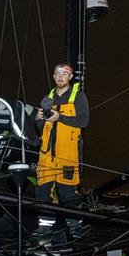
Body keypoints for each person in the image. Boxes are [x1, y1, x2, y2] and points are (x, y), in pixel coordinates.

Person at [34, 62, 89, 239]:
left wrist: (60, 117)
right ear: (53, 76)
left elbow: (83, 121)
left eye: (65, 73)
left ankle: (74, 227)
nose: (60, 76)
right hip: (46, 155)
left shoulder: (78, 96)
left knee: (68, 194)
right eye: (57, 73)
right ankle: (44, 228)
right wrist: (38, 117)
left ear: (70, 77)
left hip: (67, 154)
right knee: (42, 192)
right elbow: (39, 126)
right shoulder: (48, 96)